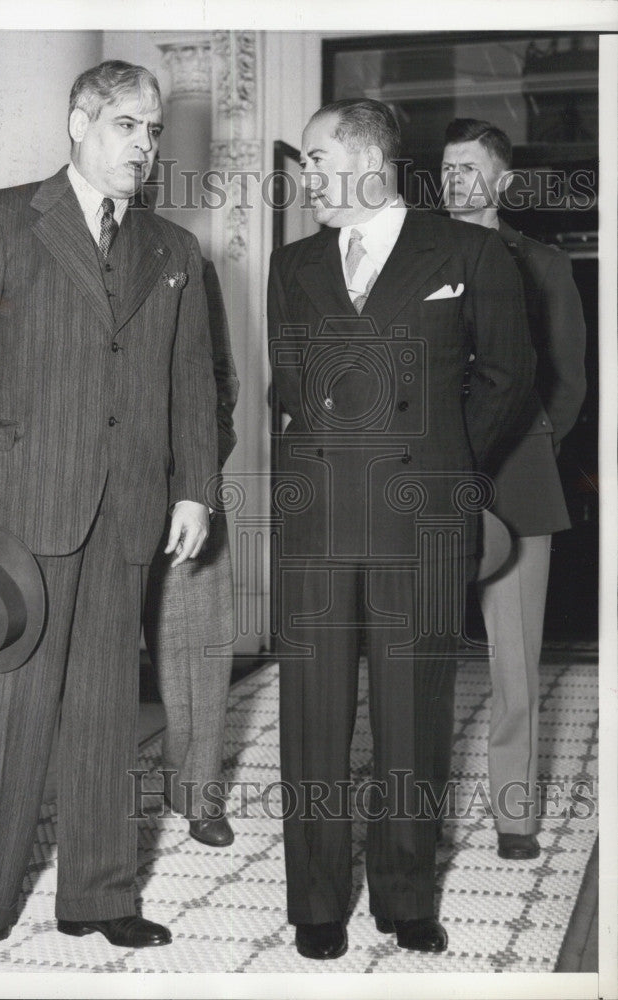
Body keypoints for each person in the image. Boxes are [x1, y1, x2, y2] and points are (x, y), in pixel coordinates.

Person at [0, 59, 217, 959]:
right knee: (3, 714)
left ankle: (97, 893)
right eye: (128, 124)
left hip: (128, 510)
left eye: (154, 129)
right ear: (79, 121)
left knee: (102, 714)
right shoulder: (1, 217)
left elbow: (192, 383)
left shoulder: (174, 249)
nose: (145, 144)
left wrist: (195, 486)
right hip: (19, 506)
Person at [268, 98, 535, 959]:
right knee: (310, 719)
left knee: (412, 718)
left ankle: (405, 893)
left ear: (368, 160)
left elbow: (507, 379)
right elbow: (287, 381)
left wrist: (444, 463)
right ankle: (314, 902)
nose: (303, 174)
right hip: (314, 520)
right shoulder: (291, 261)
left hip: (419, 517)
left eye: (314, 157)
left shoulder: (471, 252)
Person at [442, 118, 587, 860]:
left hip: (519, 484)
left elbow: (567, 383)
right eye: (444, 167)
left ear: (499, 180)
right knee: (416, 654)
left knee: (513, 663)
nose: (453, 180)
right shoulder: (417, 255)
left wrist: (527, 448)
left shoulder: (541, 265)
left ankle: (513, 816)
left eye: (467, 168)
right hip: (427, 484)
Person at [143, 256, 238, 848]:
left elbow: (219, 380)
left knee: (197, 647)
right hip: (82, 493)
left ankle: (197, 790)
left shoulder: (186, 262)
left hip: (182, 487)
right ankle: (95, 796)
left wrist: (196, 478)